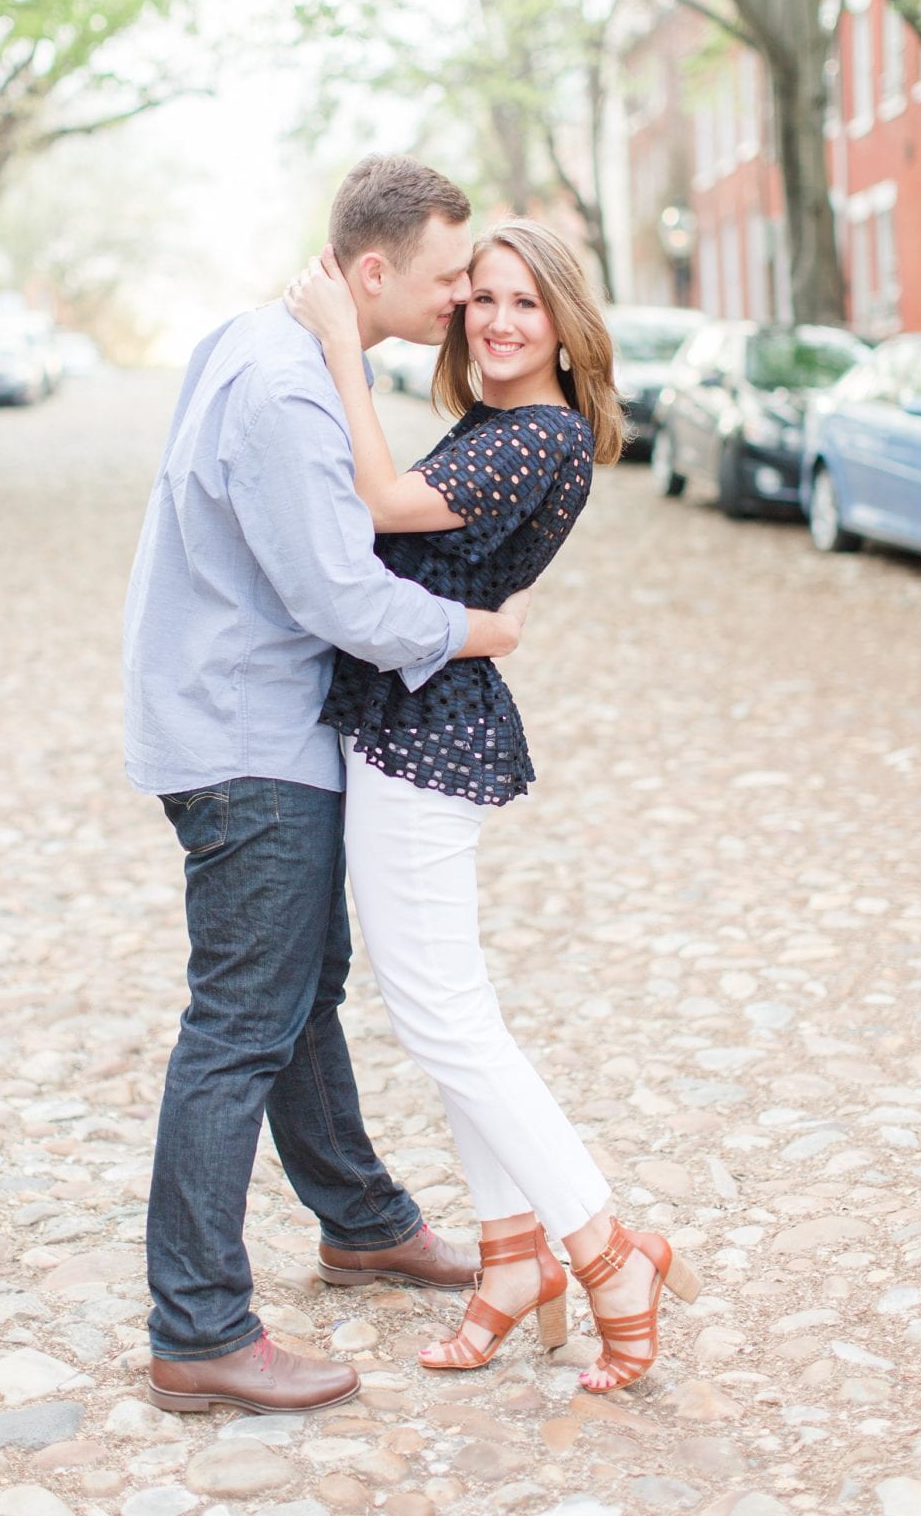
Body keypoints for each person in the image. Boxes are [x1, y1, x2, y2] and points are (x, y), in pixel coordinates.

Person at [123, 156, 533, 1417]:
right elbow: (338, 594)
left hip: (241, 720)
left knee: (303, 993)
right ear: (371, 270)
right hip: (248, 739)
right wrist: (477, 631)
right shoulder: (287, 391)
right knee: (244, 1019)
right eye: (450, 274)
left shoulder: (261, 340)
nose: (467, 298)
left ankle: (361, 1222)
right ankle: (198, 1327)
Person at [286, 217, 701, 1394]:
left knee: (444, 1021)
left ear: (568, 323)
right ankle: (511, 1255)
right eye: (485, 299)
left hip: (425, 740)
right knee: (449, 1016)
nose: (501, 320)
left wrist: (338, 346)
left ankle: (608, 1251)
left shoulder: (538, 435)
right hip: (410, 723)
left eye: (527, 303)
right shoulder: (498, 424)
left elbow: (377, 494)